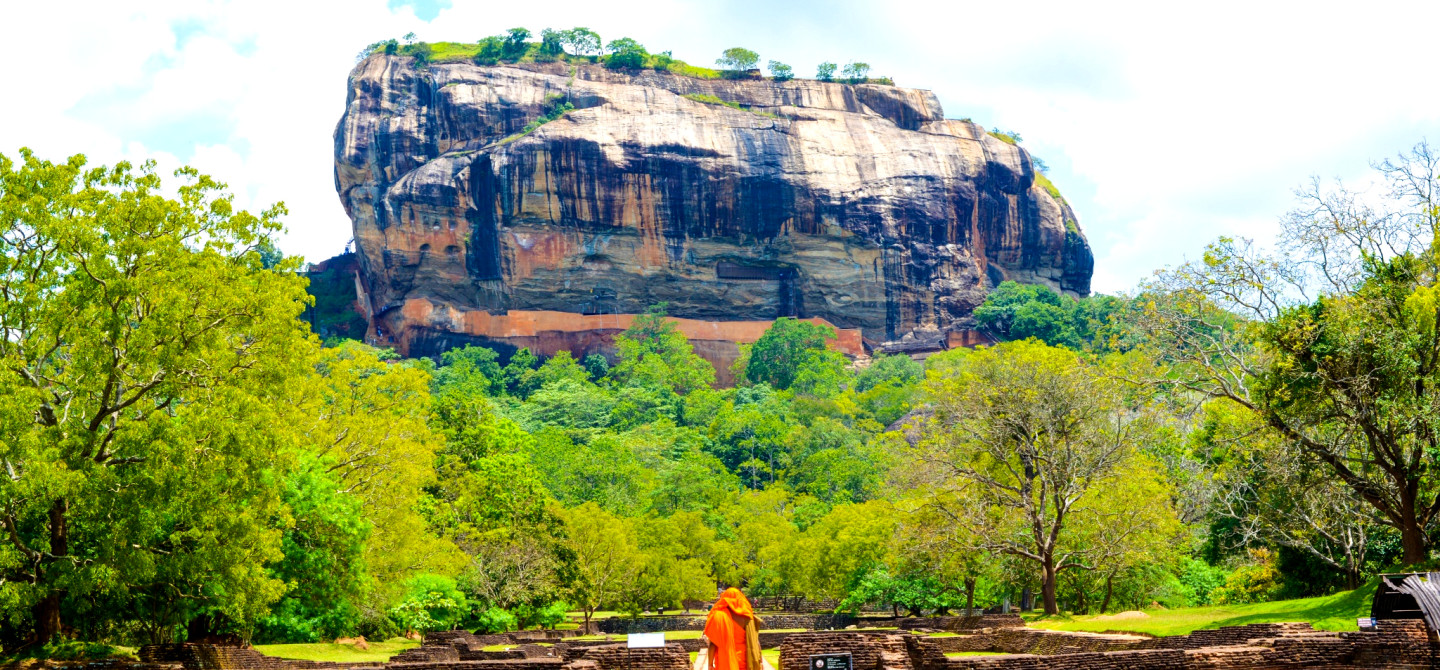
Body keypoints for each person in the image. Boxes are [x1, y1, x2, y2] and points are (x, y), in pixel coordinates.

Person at [703, 587, 764, 670]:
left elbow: (713, 643)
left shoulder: (719, 616)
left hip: (725, 661)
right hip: (745, 660)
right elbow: (755, 641)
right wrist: (760, 661)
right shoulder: (747, 617)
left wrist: (710, 664)